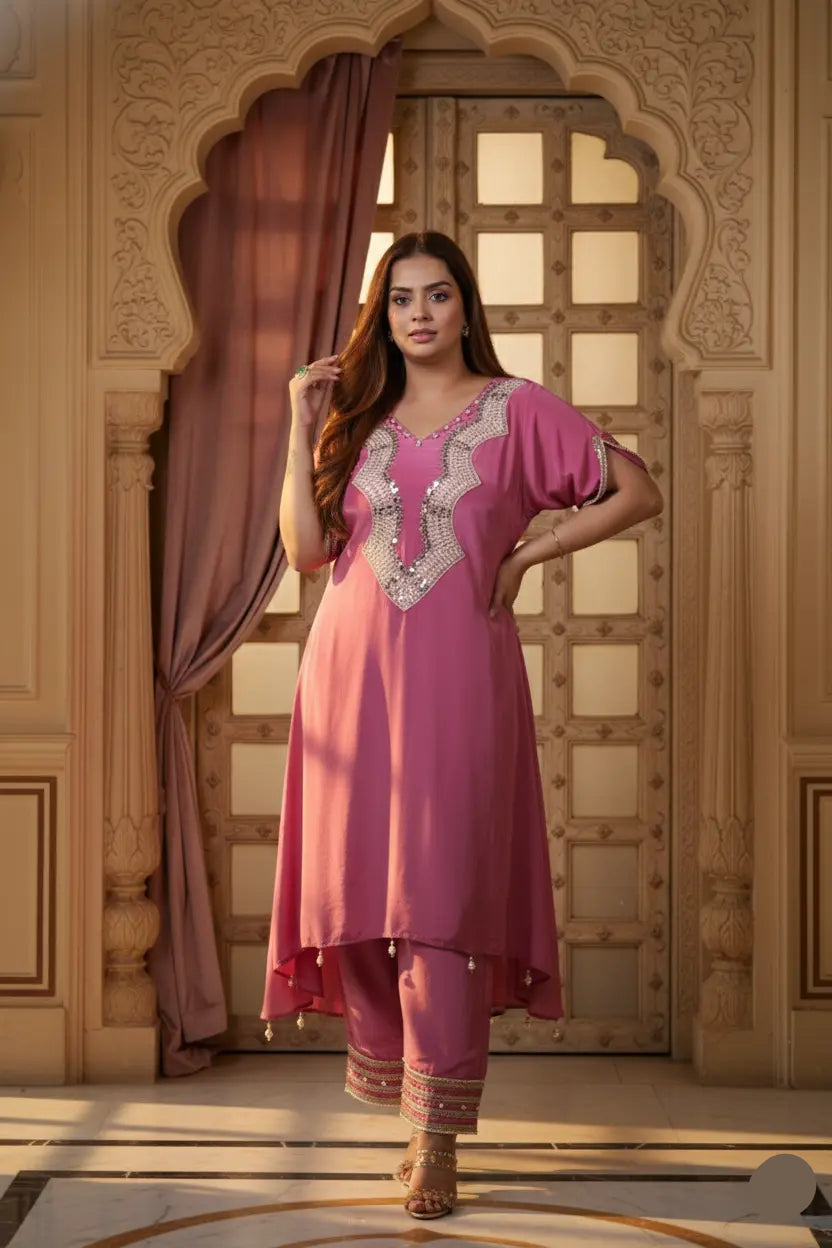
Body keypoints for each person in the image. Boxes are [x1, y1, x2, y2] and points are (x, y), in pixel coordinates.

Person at [261, 231, 663, 1221]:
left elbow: (637, 489)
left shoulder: (516, 409)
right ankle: (406, 1101)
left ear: (464, 307)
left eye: (438, 295)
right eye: (401, 298)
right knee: (363, 900)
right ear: (382, 314)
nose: (420, 314)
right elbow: (307, 552)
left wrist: (528, 554)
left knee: (438, 898)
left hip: (459, 680)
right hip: (347, 680)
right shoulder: (354, 420)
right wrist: (298, 426)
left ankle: (435, 1135)